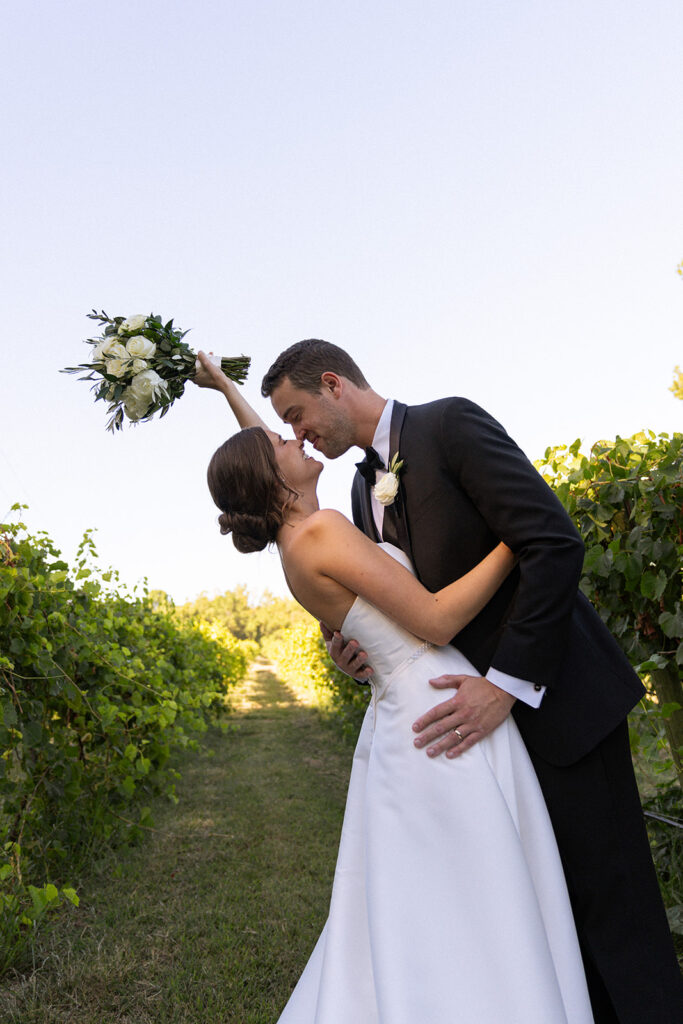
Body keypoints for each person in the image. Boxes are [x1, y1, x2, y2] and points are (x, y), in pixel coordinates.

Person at [257, 339, 683, 1024]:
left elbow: (551, 542)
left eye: (297, 414)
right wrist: (350, 643)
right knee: (553, 920)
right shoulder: (360, 491)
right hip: (481, 742)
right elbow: (393, 601)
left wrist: (507, 685)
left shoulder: (448, 424)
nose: (296, 434)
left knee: (615, 916)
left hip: (558, 704)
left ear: (333, 385)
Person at [195, 351, 596, 1023]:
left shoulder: (298, 541)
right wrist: (514, 538)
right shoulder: (320, 529)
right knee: (481, 885)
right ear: (269, 477)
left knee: (438, 892)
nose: (294, 436)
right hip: (435, 710)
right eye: (280, 436)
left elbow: (257, 465)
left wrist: (225, 389)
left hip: (402, 711)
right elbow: (434, 617)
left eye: (291, 420)